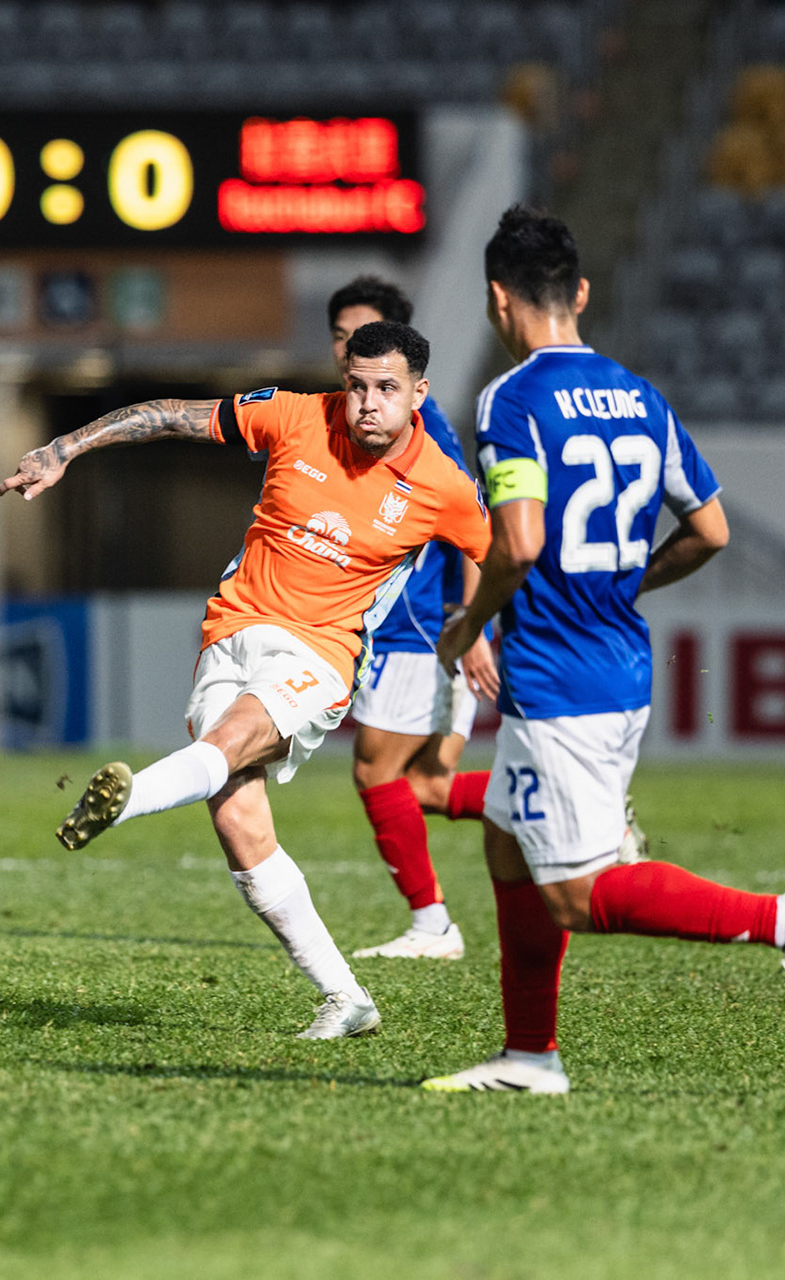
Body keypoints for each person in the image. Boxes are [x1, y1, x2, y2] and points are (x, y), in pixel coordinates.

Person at [422, 207, 785, 1095]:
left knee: (576, 894)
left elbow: (520, 542)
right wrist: (632, 582)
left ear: (499, 302)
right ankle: (529, 1057)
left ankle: (784, 918)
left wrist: (465, 630)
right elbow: (712, 530)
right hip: (619, 662)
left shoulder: (511, 399)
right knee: (507, 843)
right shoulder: (641, 397)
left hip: (556, 674)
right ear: (578, 293)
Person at [0, 321, 492, 1039]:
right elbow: (169, 415)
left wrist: (474, 627)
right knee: (237, 819)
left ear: (419, 393)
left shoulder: (441, 484)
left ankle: (130, 799)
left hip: (320, 654)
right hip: (229, 634)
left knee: (231, 743)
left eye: (386, 389)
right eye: (355, 386)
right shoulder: (295, 415)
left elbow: (495, 550)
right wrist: (65, 448)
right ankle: (346, 998)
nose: (365, 404)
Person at [322, 278, 496, 962]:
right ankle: (583, 809)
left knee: (377, 776)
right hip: (408, 629)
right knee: (423, 786)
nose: (347, 349)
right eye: (339, 336)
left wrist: (470, 624)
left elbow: (470, 522)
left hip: (418, 628)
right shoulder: (347, 416)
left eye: (361, 334)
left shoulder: (425, 430)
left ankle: (432, 925)